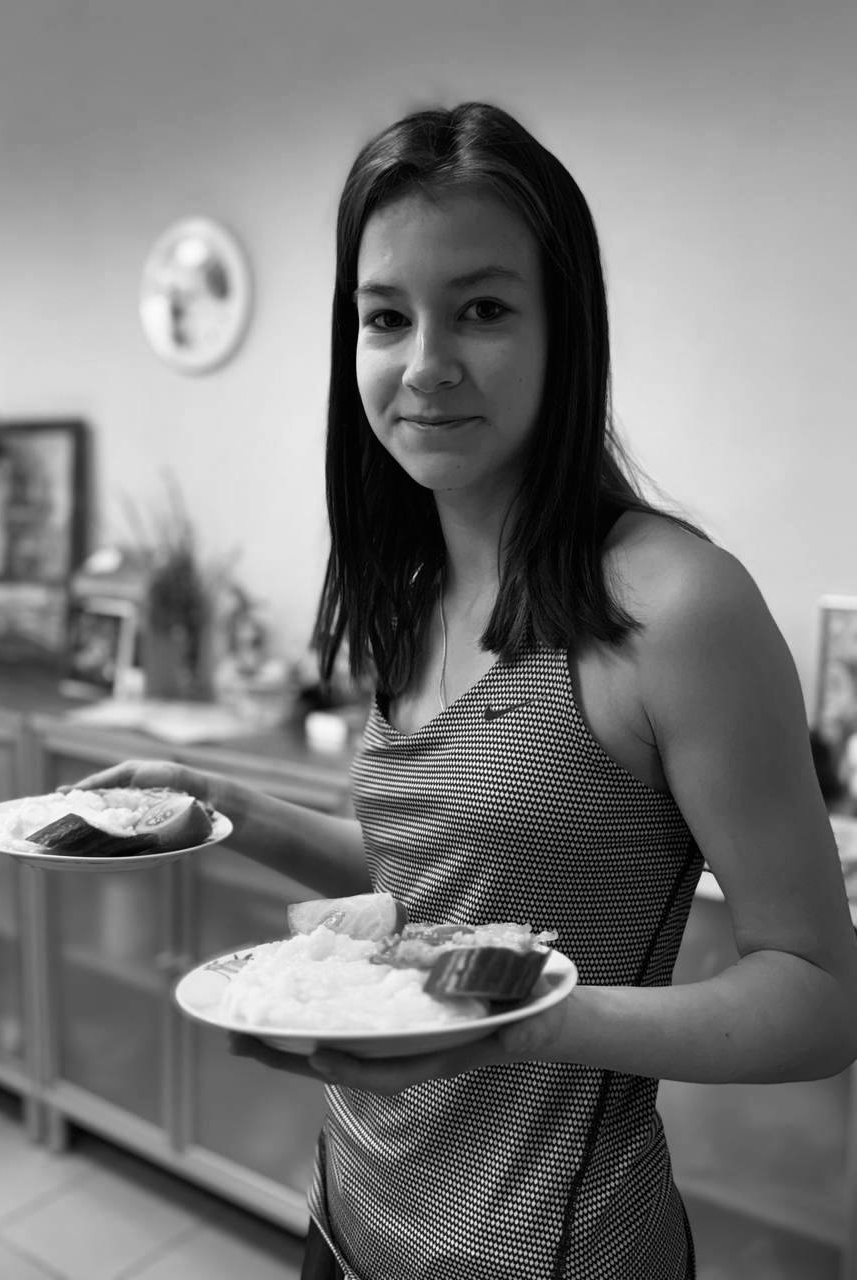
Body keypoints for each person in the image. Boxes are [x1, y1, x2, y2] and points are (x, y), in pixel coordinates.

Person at [71, 102, 857, 1280]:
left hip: (550, 1250)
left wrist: (519, 1020)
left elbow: (820, 998)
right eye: (386, 316)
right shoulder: (408, 590)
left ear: (564, 330)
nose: (425, 364)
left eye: (482, 309)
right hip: (348, 1214)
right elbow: (441, 879)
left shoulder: (678, 607)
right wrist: (216, 801)